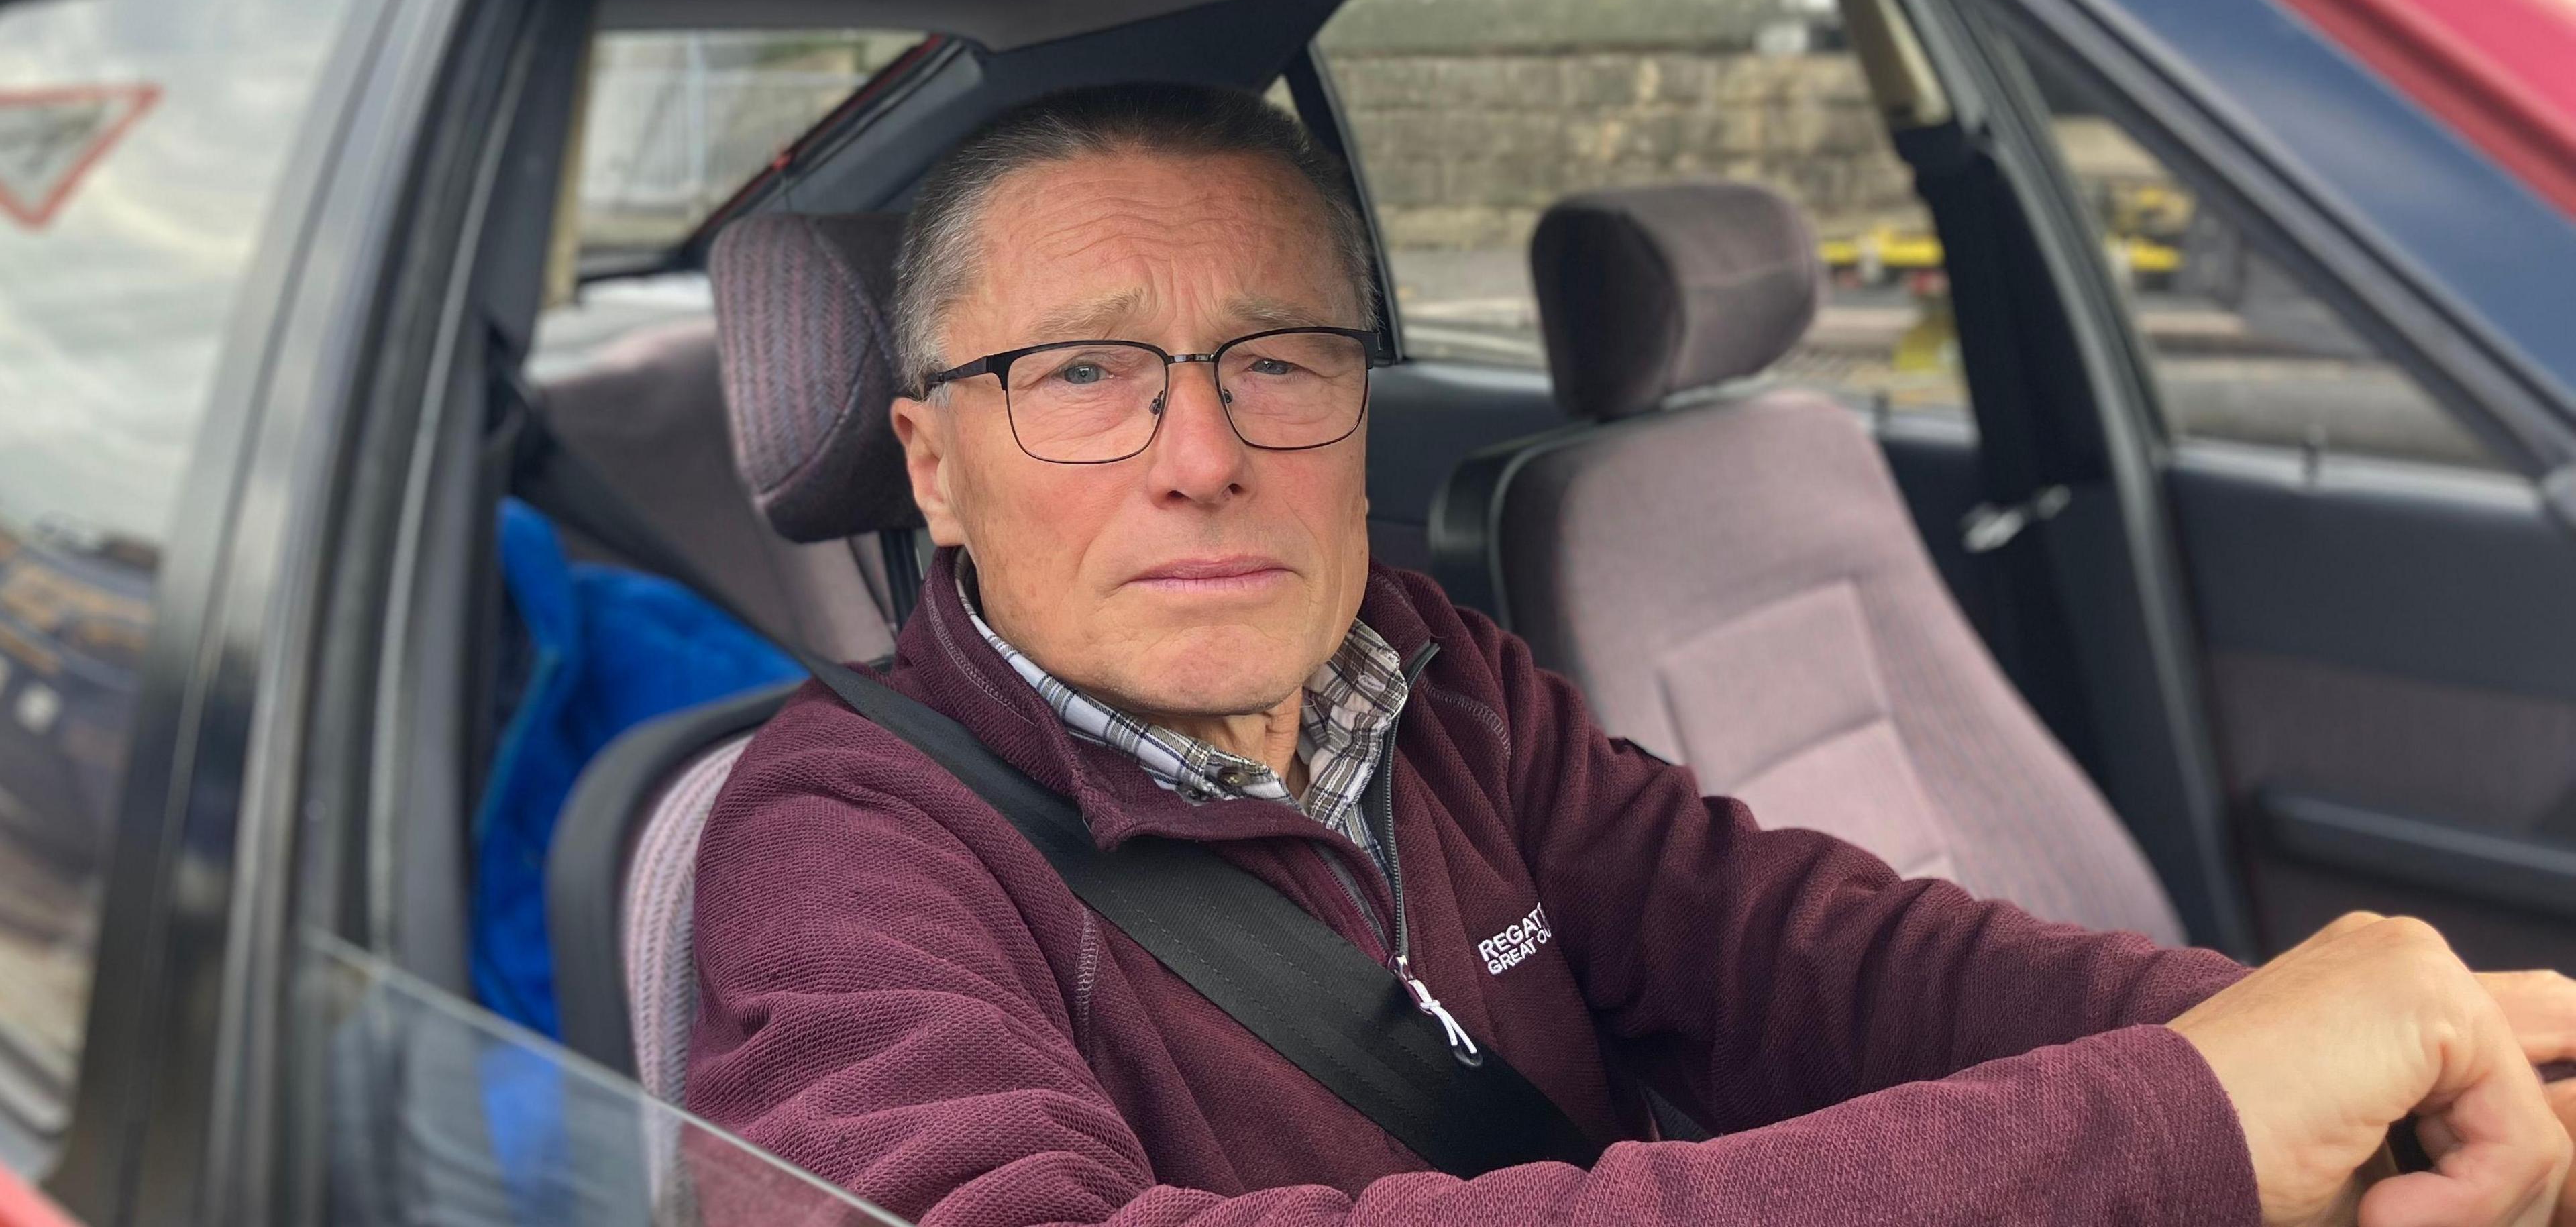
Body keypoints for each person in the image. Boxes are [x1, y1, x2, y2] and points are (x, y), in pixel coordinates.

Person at [686, 81, 2576, 1226]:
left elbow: (1810, 955)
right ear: (932, 466)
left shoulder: (1430, 680)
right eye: (1082, 374)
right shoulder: (843, 845)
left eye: (1280, 360)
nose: (1203, 456)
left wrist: (2329, 1051)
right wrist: (2173, 1129)